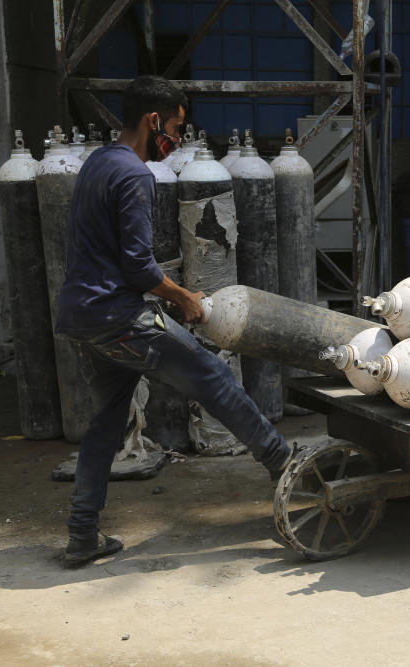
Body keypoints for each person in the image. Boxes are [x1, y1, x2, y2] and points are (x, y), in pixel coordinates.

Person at [54, 76, 294, 566]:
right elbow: (139, 268)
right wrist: (184, 298)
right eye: (177, 127)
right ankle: (284, 464)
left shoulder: (98, 162)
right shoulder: (135, 175)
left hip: (82, 317)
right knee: (214, 377)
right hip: (120, 318)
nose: (177, 139)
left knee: (107, 421)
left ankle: (82, 534)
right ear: (153, 120)